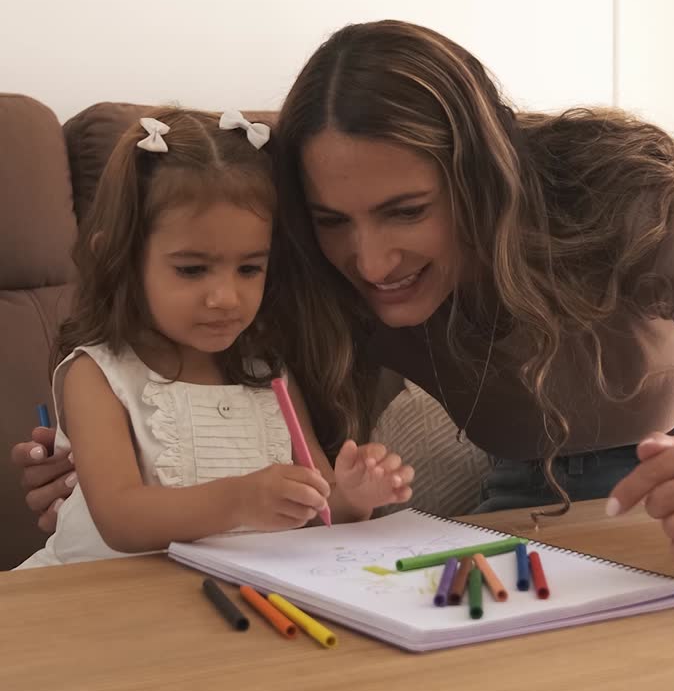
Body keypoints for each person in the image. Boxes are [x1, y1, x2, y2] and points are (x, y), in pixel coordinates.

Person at [14, 21, 674, 563]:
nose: (373, 262)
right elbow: (202, 396)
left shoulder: (624, 204)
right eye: (331, 221)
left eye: (407, 211)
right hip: (525, 486)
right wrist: (99, 459)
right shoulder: (308, 278)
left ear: (480, 180)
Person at [15, 106, 413, 569]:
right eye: (192, 269)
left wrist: (352, 498)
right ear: (122, 262)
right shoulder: (97, 375)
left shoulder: (271, 374)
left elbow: (316, 509)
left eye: (249, 268)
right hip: (93, 596)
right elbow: (120, 518)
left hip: (224, 597)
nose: (226, 297)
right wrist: (239, 501)